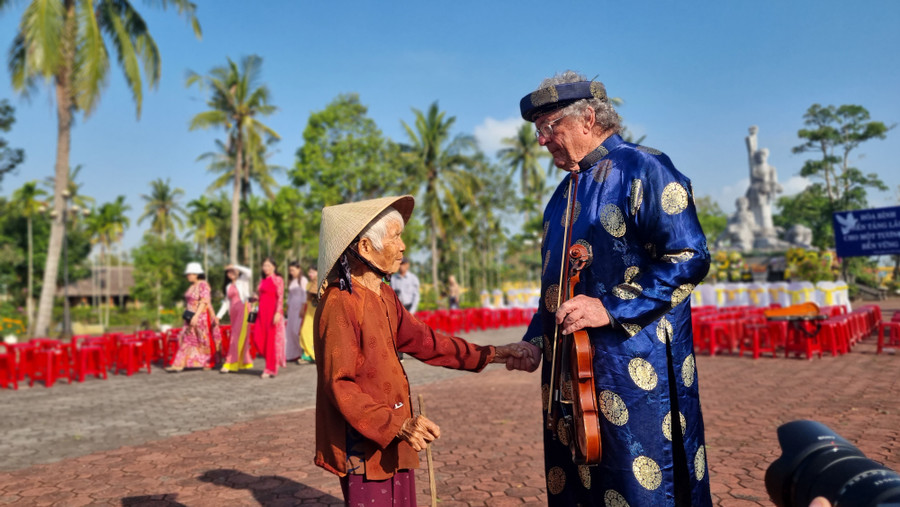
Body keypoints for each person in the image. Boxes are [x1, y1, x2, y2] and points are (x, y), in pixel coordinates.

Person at [506, 71, 713, 505]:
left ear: (588, 118)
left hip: (638, 371)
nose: (541, 140)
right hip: (571, 374)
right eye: (538, 130)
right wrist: (534, 342)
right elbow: (558, 287)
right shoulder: (561, 195)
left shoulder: (646, 167)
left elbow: (690, 257)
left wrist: (611, 308)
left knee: (639, 485)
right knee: (579, 482)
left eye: (549, 127)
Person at [313, 195, 523, 506]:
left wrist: (493, 353)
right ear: (365, 248)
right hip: (365, 441)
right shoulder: (341, 302)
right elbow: (340, 385)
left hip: (396, 435)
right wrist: (399, 425)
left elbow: (426, 341)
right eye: (395, 237)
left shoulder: (383, 293)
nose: (402, 247)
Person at [167, 262, 218, 372]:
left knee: (203, 341)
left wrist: (196, 316)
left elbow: (204, 301)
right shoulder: (192, 286)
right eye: (188, 274)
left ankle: (208, 362)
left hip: (201, 316)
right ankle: (179, 364)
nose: (188, 276)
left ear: (197, 274)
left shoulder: (203, 284)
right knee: (186, 339)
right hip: (190, 317)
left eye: (190, 274)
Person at [252, 257, 286, 378]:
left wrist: (278, 312)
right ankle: (270, 363)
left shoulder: (278, 280)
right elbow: (258, 296)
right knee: (257, 337)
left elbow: (280, 297)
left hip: (272, 313)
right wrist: (253, 299)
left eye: (268, 265)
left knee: (270, 340)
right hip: (262, 313)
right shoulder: (262, 281)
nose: (265, 268)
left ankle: (270, 368)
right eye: (264, 266)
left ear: (274, 267)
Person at [216, 264, 253, 373]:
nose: (231, 273)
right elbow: (227, 302)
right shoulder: (228, 287)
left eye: (233, 271)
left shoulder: (243, 281)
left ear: (237, 272)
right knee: (240, 337)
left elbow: (249, 271)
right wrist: (219, 315)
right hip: (233, 314)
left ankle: (230, 363)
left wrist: (235, 266)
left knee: (235, 338)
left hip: (244, 309)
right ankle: (243, 362)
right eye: (229, 272)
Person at [285, 261, 308, 363]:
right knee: (289, 331)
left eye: (293, 270)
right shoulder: (292, 280)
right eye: (290, 270)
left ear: (299, 269)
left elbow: (305, 295)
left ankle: (302, 352)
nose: (291, 272)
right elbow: (289, 295)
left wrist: (303, 308)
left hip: (299, 306)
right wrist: (287, 306)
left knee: (296, 330)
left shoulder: (303, 280)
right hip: (291, 308)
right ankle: (292, 354)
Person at [298, 266, 317, 363]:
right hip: (309, 310)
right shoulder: (309, 284)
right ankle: (308, 355)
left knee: (312, 333)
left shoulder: (321, 282)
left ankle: (312, 355)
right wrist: (302, 309)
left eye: (313, 272)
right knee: (304, 332)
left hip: (316, 311)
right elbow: (307, 299)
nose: (310, 274)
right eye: (309, 272)